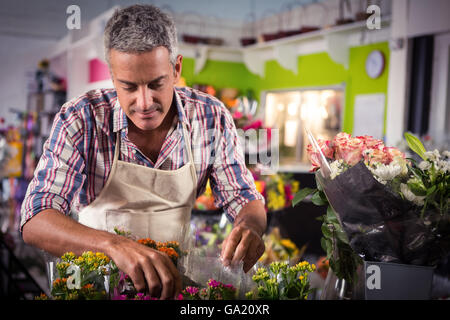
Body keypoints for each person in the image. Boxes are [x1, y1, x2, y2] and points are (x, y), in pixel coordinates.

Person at [20, 4, 266, 300]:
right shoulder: (81, 118)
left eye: (155, 84)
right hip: (96, 286)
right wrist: (115, 247)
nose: (145, 101)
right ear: (113, 79)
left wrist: (250, 225)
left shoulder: (210, 116)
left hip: (174, 285)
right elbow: (35, 219)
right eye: (129, 87)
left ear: (176, 69)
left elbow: (244, 197)